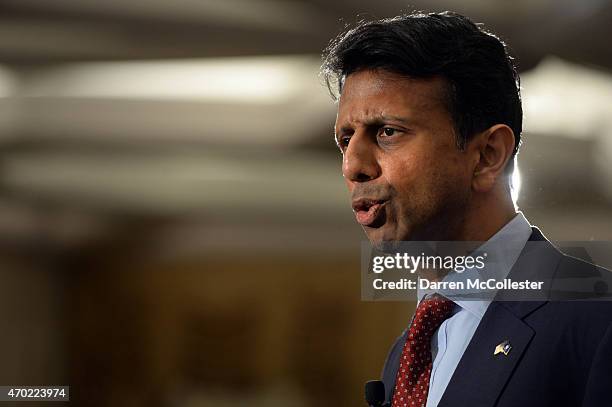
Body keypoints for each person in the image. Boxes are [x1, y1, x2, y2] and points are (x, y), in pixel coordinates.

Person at [321, 11, 612, 407]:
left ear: (488, 155)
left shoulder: (598, 319)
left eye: (388, 132)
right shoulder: (408, 352)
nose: (353, 166)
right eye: (345, 138)